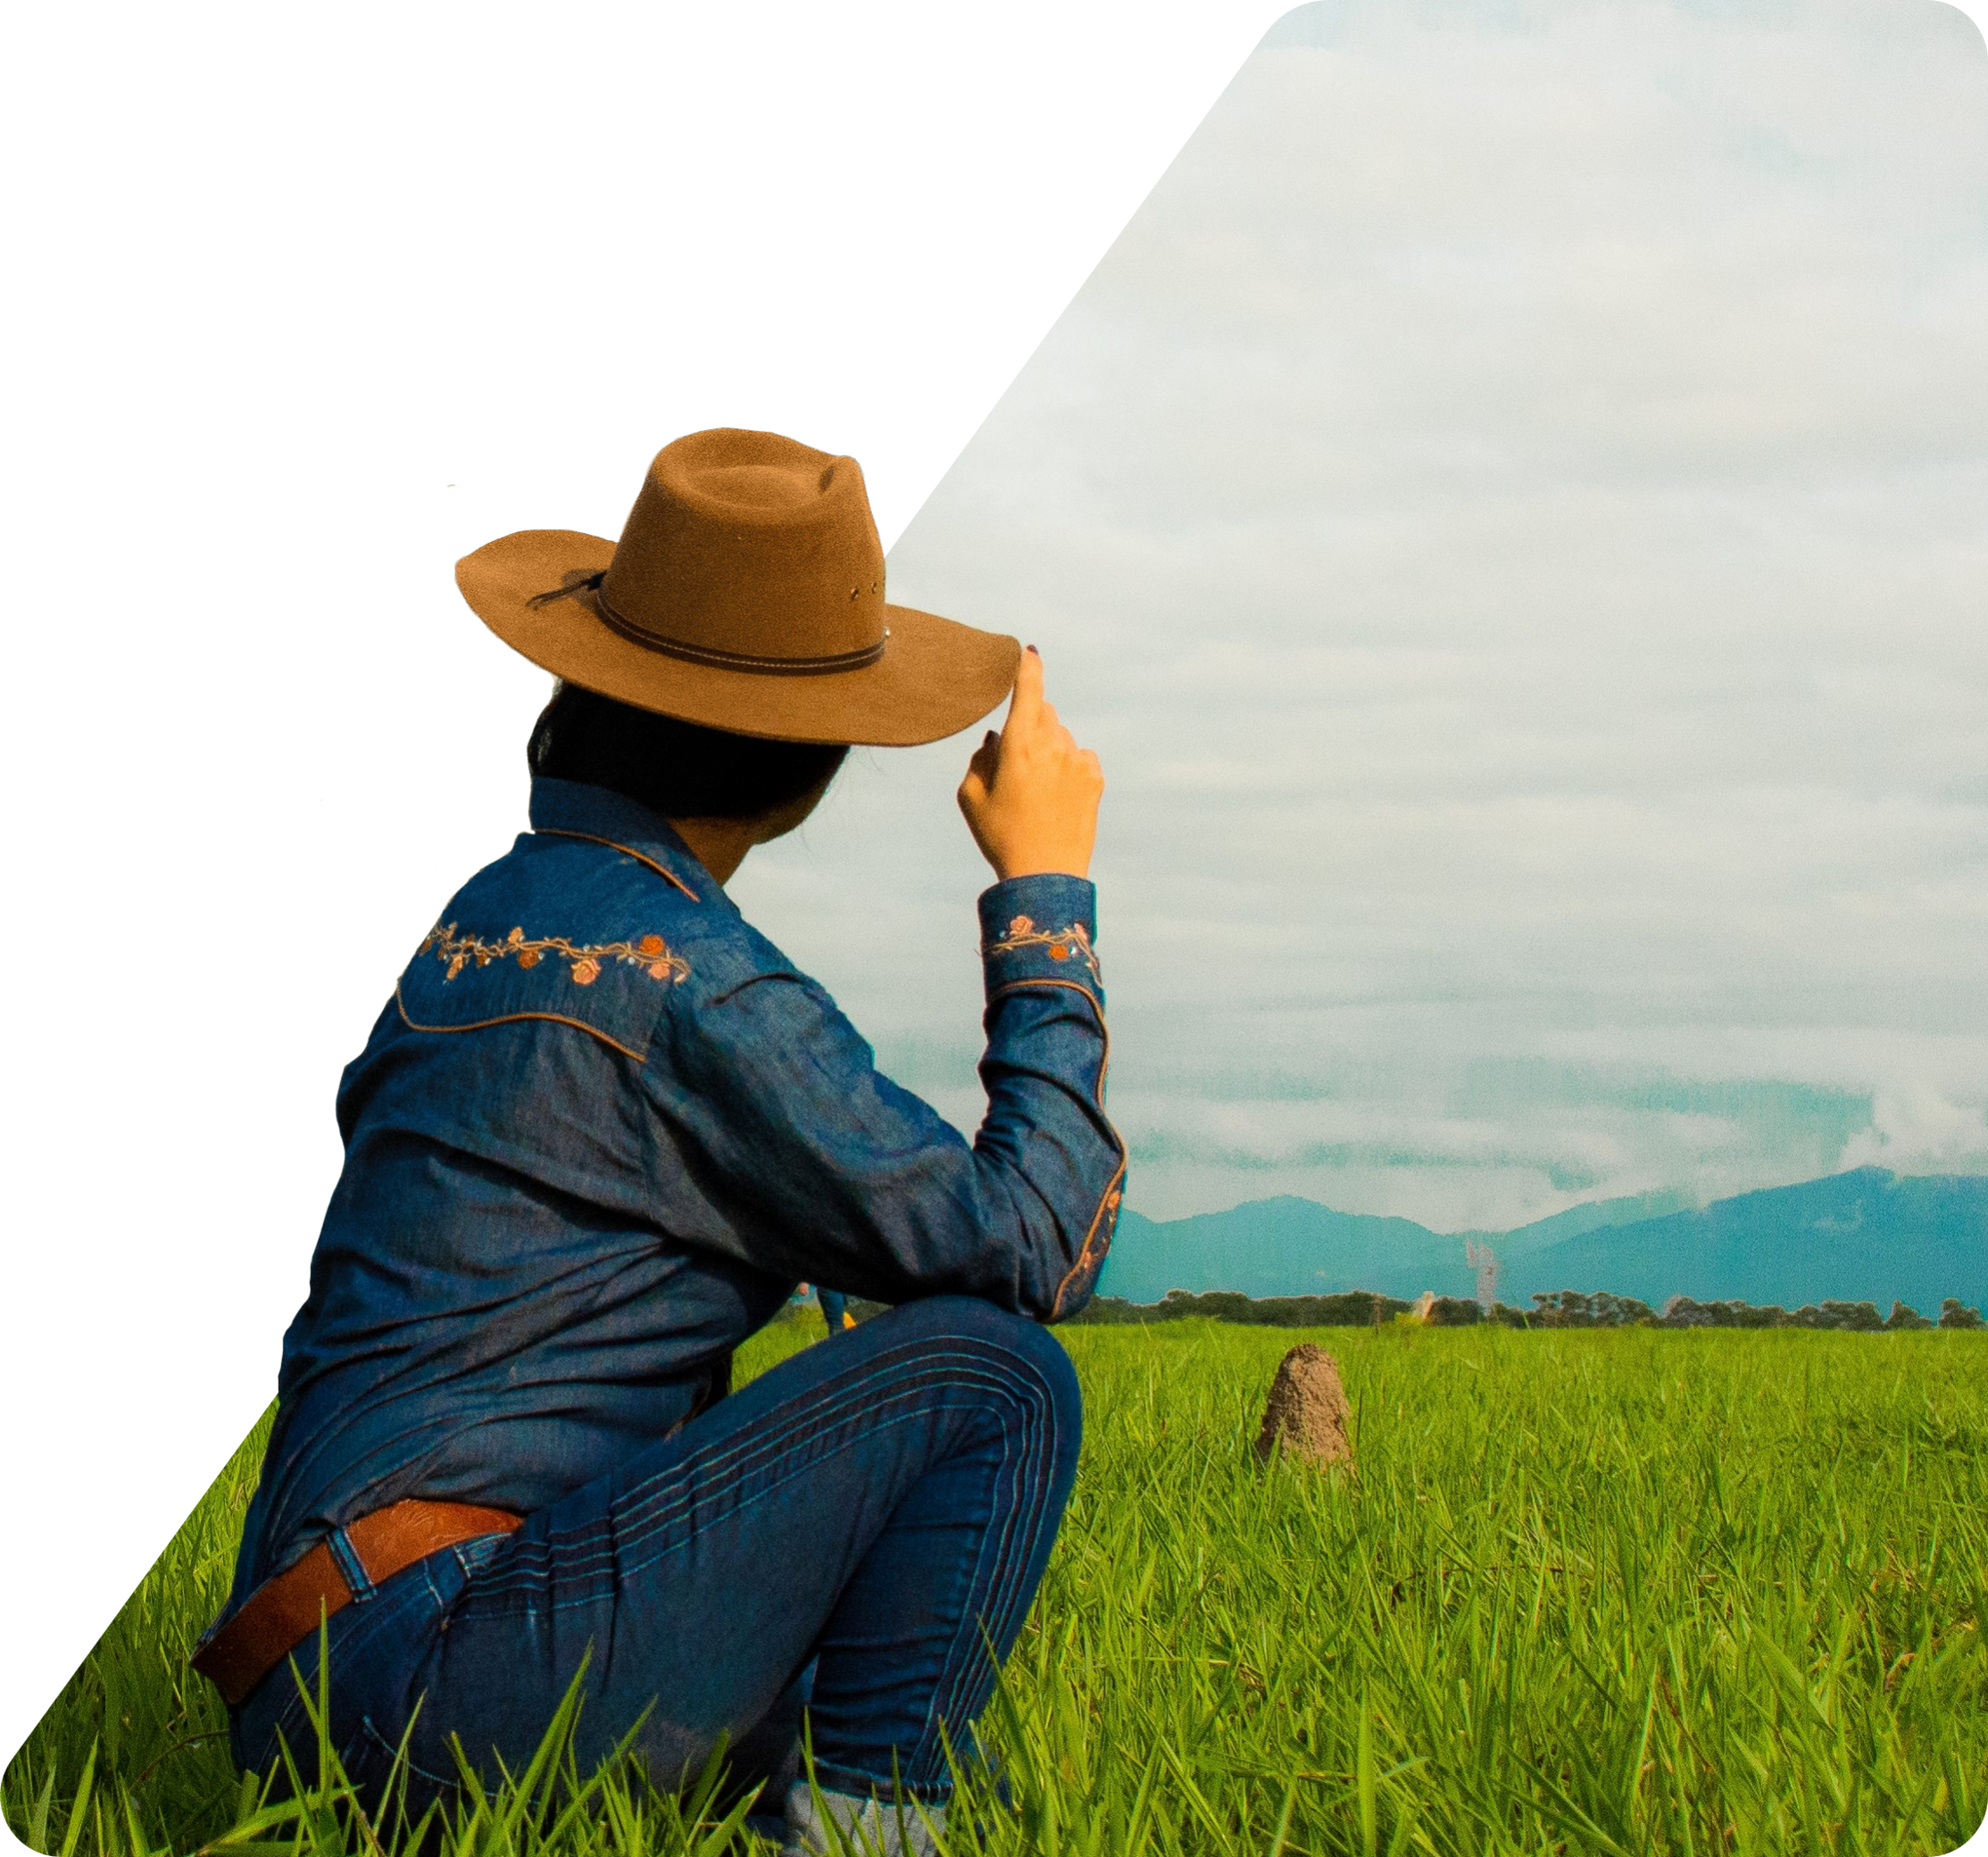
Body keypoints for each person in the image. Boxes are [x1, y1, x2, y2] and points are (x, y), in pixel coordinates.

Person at [191, 429, 1125, 1857]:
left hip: (311, 1678)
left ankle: (825, 1792)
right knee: (993, 1376)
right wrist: (1046, 893)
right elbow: (1026, 1249)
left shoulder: (473, 928)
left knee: (847, 1649)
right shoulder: (701, 989)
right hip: (442, 1680)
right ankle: (864, 1840)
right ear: (809, 760)